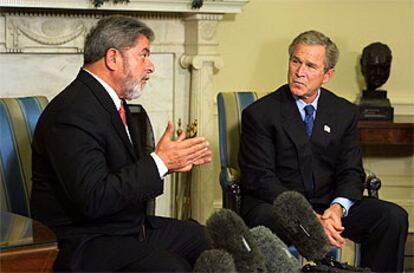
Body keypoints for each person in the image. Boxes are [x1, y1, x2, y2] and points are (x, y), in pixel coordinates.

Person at [30, 15, 212, 272]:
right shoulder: (72, 113)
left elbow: (117, 173)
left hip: (125, 227)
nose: (151, 67)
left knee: (213, 239)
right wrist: (159, 163)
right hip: (85, 240)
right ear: (113, 58)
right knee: (171, 267)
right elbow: (94, 198)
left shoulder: (114, 104)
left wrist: (166, 164)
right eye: (143, 55)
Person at [238, 30, 408, 272]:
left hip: (328, 206)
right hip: (278, 206)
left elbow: (351, 171)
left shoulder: (343, 112)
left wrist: (337, 210)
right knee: (268, 219)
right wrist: (308, 217)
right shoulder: (261, 114)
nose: (299, 72)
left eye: (310, 66)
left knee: (392, 217)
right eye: (295, 61)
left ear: (327, 75)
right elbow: (260, 179)